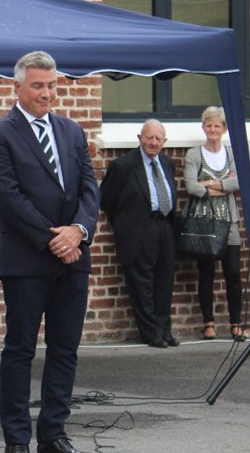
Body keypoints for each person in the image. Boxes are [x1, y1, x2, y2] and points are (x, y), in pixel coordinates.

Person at [0, 51, 100, 453]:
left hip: (73, 258)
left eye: (52, 85)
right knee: (20, 350)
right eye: (38, 86)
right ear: (18, 87)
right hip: (27, 259)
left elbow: (89, 189)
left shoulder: (72, 131)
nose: (47, 93)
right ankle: (17, 440)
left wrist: (78, 232)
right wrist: (53, 238)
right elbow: (7, 197)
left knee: (65, 349)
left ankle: (54, 435)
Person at [101, 119, 178, 349]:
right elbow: (107, 200)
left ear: (164, 142)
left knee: (164, 282)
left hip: (164, 226)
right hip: (137, 230)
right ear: (139, 138)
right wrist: (126, 223)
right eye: (149, 137)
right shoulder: (124, 165)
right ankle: (151, 333)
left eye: (158, 138)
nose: (153, 142)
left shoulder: (167, 163)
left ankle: (165, 330)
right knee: (142, 284)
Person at [184, 106, 244, 341]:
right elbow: (192, 187)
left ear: (224, 129)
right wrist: (221, 184)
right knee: (206, 274)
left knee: (232, 274)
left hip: (229, 223)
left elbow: (238, 183)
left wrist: (208, 183)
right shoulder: (194, 154)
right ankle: (208, 323)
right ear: (203, 127)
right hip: (204, 224)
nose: (212, 129)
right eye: (208, 125)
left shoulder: (232, 153)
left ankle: (235, 323)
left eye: (217, 125)